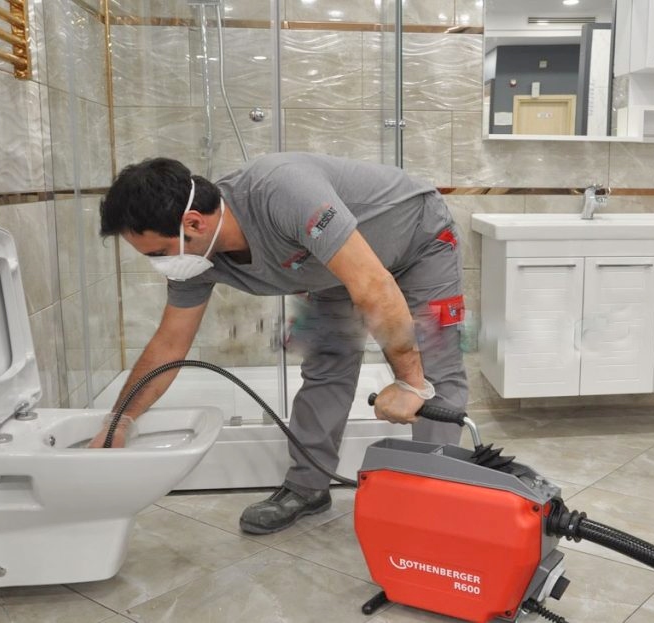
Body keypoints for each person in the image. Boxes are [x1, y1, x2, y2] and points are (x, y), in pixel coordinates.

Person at [91, 153, 468, 534]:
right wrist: (119, 421)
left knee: (433, 370)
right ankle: (307, 487)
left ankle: (435, 497)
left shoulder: (282, 191)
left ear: (193, 223)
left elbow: (373, 284)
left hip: (417, 242)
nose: (160, 265)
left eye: (158, 253)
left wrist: (410, 381)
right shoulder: (194, 260)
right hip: (333, 267)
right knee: (325, 367)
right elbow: (169, 344)